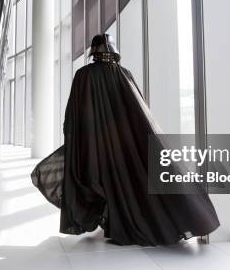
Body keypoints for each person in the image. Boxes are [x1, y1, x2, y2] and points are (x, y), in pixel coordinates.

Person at [31, 33, 220, 246]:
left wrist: (74, 137)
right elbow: (139, 111)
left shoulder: (84, 75)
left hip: (94, 144)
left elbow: (74, 113)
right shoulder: (124, 73)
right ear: (114, 50)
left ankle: (112, 221)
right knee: (124, 181)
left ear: (94, 51)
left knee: (100, 179)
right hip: (123, 144)